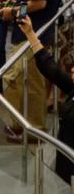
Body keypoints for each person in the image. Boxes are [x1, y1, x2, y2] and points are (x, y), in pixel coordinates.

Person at [0, 0, 64, 138]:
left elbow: (38, 2)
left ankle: (31, 128)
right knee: (29, 81)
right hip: (37, 32)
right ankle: (25, 125)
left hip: (33, 33)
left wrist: (14, 11)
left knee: (18, 79)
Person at [17, 15, 74, 182]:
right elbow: (51, 69)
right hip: (66, 168)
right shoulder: (72, 88)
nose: (72, 69)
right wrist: (30, 33)